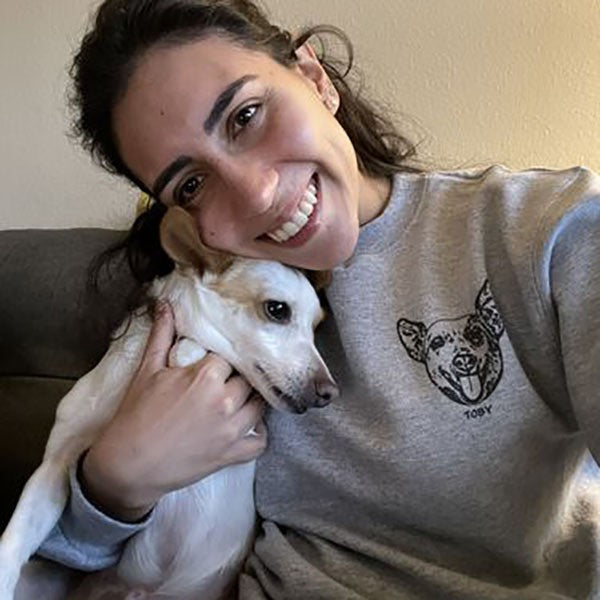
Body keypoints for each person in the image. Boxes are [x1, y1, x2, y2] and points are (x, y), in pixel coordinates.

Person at [36, 0, 599, 598]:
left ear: (313, 77)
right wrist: (116, 484)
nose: (257, 194)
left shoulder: (544, 229)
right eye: (192, 184)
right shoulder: (201, 309)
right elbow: (62, 560)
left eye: (245, 115)